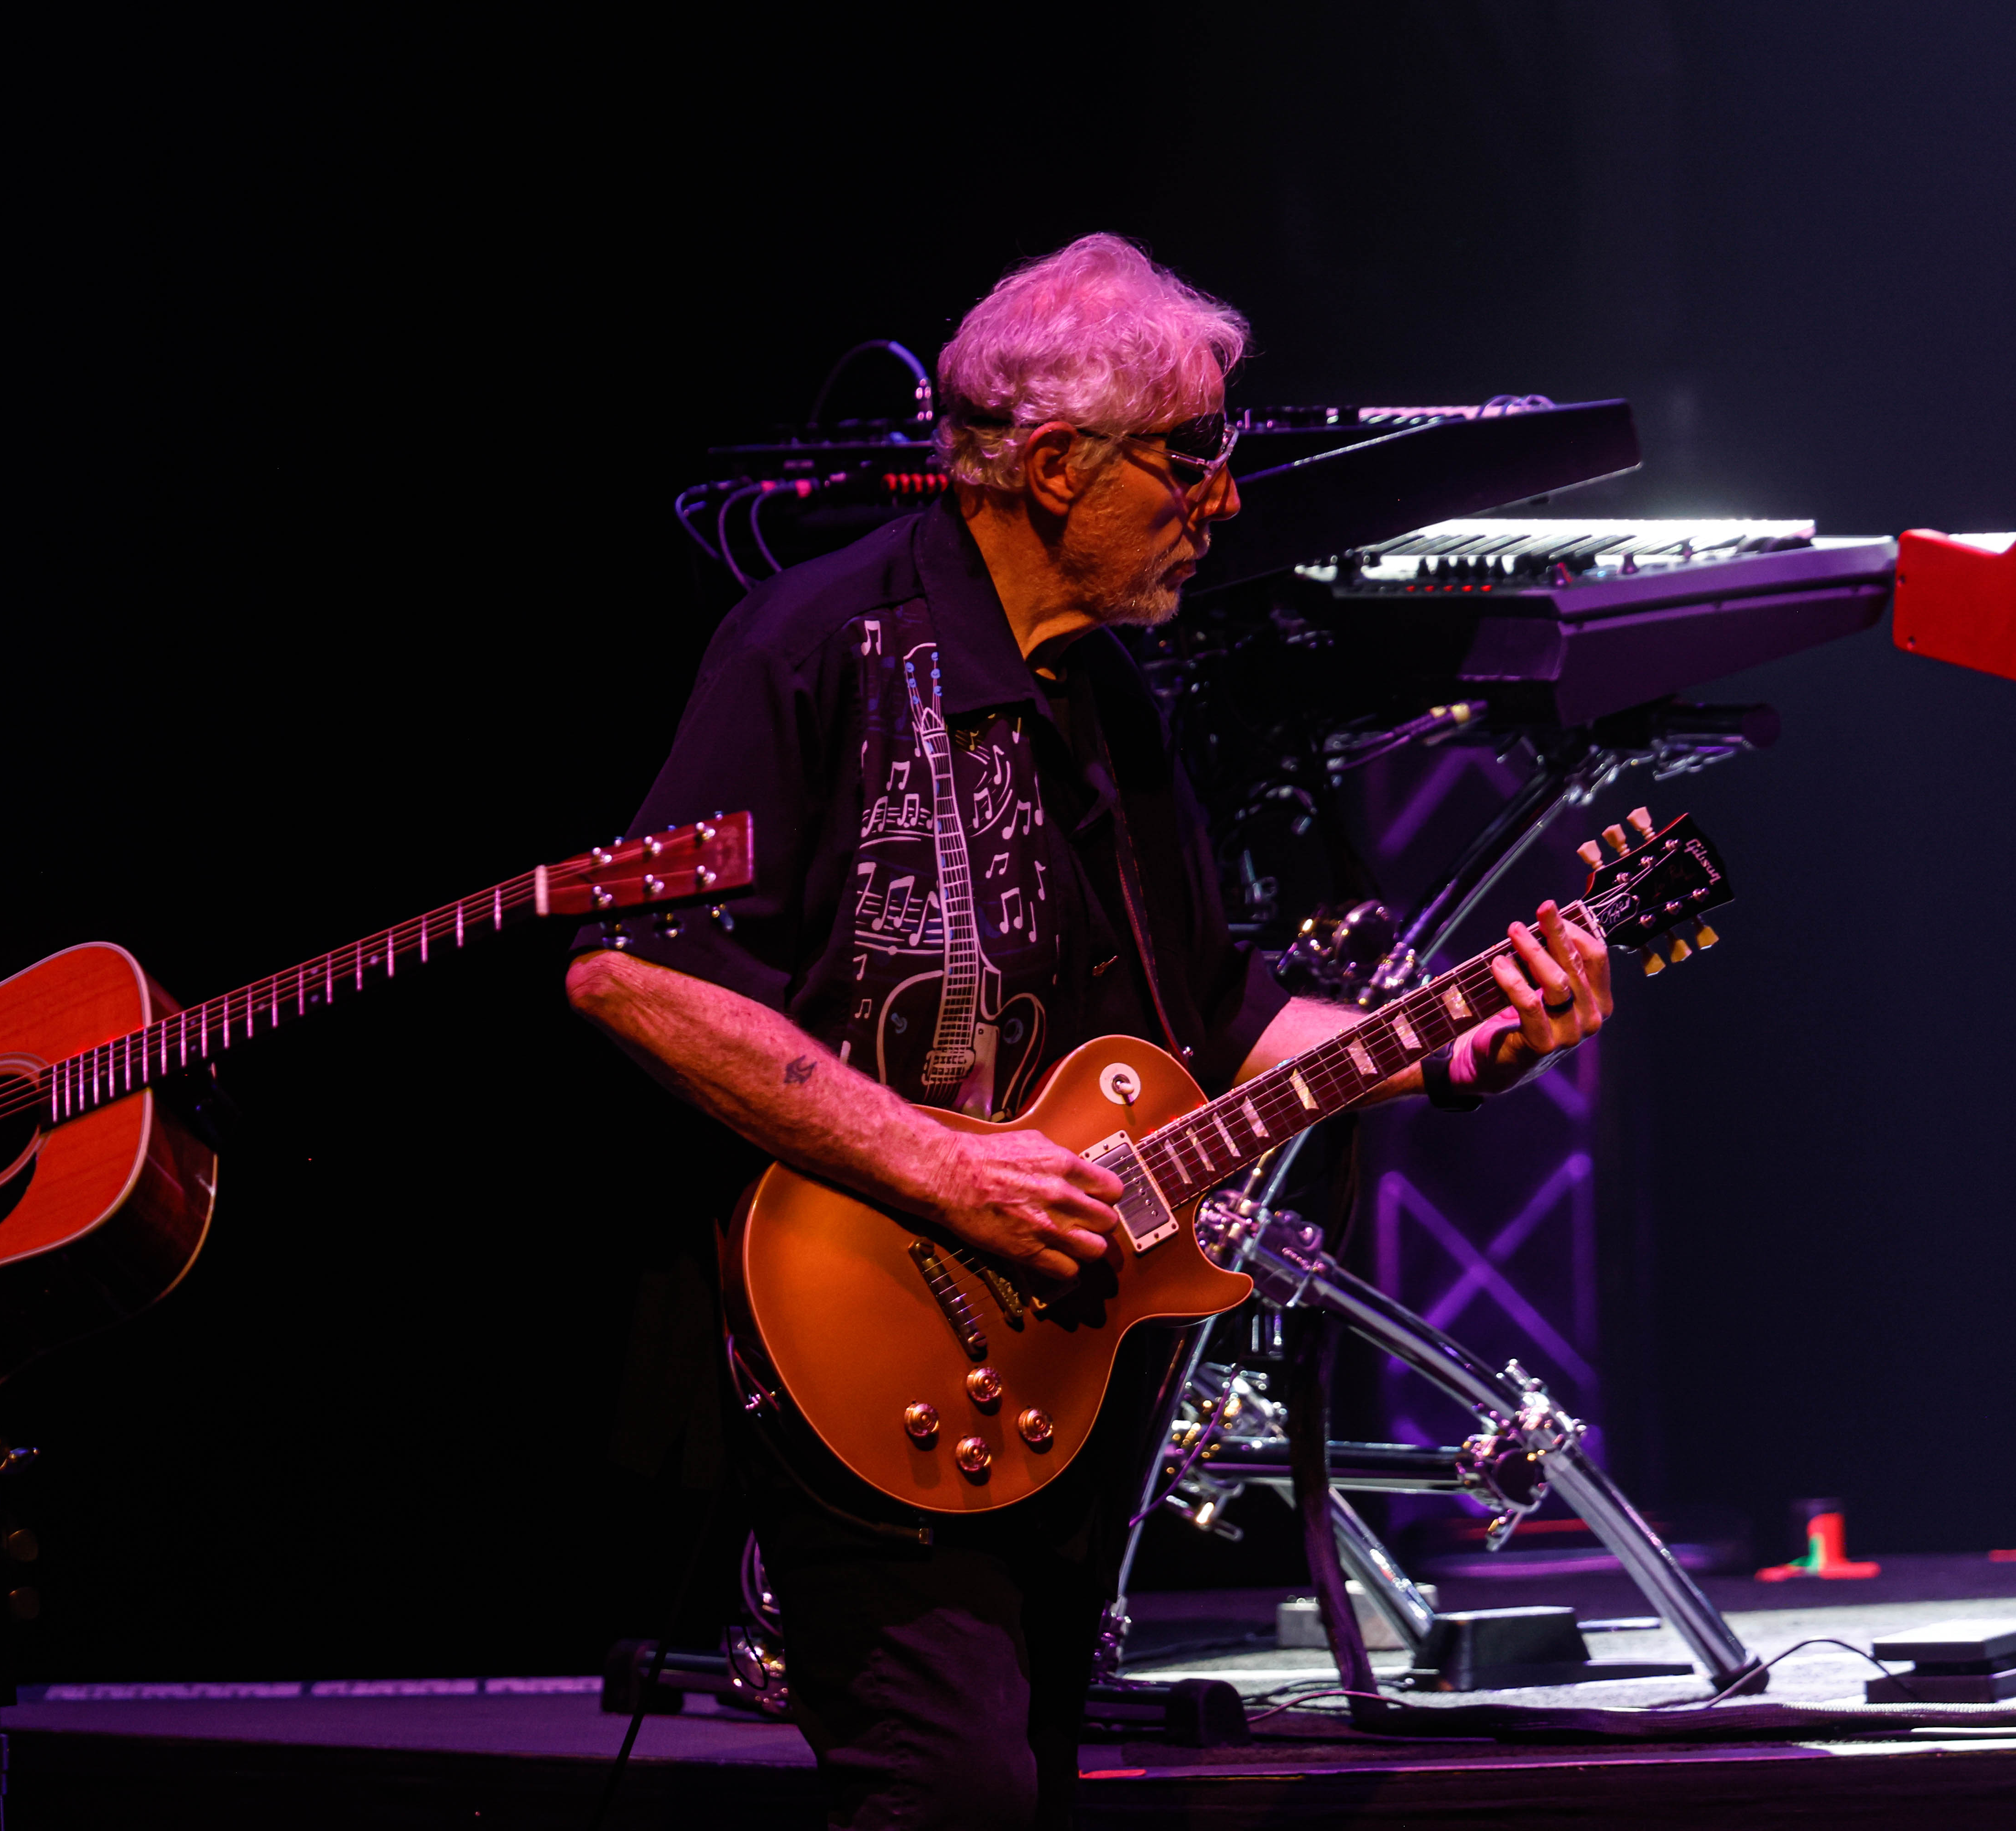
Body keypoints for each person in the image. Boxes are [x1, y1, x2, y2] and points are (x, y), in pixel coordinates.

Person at [564, 234, 1618, 1828]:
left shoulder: (1110, 697)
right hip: (852, 1327)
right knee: (952, 1795)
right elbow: (633, 978)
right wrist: (945, 1170)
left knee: (1029, 1787)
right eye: (1191, 457)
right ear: (1056, 465)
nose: (1227, 500)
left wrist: (1460, 1043)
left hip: (1056, 1354)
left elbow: (1227, 1019)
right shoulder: (814, 643)